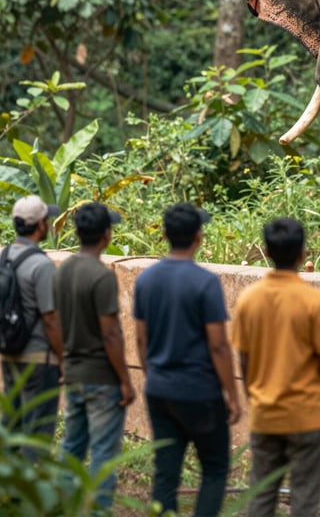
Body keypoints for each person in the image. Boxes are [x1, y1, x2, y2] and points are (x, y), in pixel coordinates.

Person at [134, 202, 240, 517]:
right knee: (216, 469)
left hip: (160, 389)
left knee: (166, 473)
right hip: (200, 392)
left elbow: (141, 338)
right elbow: (219, 346)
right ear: (199, 236)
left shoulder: (145, 280)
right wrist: (231, 395)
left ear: (164, 234)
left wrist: (151, 374)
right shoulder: (205, 282)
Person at [230, 217, 320, 517]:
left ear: (267, 251)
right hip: (309, 416)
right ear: (302, 254)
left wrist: (256, 397)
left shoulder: (248, 300)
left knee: (262, 497)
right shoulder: (315, 302)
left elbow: (243, 359)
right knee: (305, 500)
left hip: (266, 414)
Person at [53, 202, 136, 510]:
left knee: (71, 448)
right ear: (106, 235)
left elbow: (56, 322)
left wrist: (65, 362)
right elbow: (111, 333)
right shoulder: (101, 277)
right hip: (101, 377)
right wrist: (125, 380)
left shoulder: (64, 271)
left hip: (74, 373)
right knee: (103, 454)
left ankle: (60, 507)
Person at [0, 194, 63, 446]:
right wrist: (63, 357)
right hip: (38, 358)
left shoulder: (4, 257)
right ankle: (33, 477)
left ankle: (6, 479)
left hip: (10, 352)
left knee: (12, 423)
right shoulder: (41, 265)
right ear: (40, 225)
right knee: (36, 429)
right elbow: (50, 317)